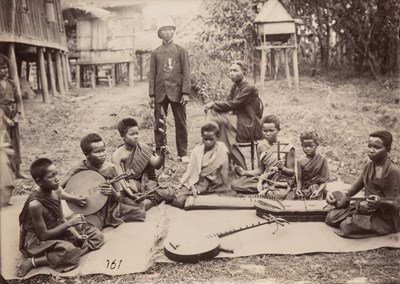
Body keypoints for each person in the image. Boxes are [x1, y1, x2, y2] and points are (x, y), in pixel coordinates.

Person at [16, 158, 104, 277]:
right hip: (39, 239)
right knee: (69, 250)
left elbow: (61, 219)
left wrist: (78, 237)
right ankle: (33, 262)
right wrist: (69, 224)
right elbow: (44, 235)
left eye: (57, 174)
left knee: (97, 235)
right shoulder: (35, 204)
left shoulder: (57, 190)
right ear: (39, 181)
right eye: (51, 176)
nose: (57, 178)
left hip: (57, 228)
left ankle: (71, 253)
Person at [61, 133, 146, 231]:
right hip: (91, 211)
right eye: (97, 152)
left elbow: (118, 196)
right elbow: (55, 190)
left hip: (110, 208)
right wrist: (73, 198)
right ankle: (99, 223)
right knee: (91, 229)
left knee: (140, 213)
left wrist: (113, 193)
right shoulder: (78, 169)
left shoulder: (110, 168)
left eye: (103, 150)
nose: (102, 154)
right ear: (86, 154)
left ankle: (109, 219)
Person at [325, 130, 400, 238]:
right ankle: (356, 219)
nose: (371, 150)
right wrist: (334, 195)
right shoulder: (368, 167)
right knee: (331, 217)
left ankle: (358, 221)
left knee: (346, 226)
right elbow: (351, 190)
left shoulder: (392, 171)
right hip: (364, 209)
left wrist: (379, 202)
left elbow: (397, 204)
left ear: (388, 150)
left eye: (377, 147)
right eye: (369, 146)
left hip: (383, 217)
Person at [204, 60, 263, 169]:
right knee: (216, 122)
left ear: (244, 73)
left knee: (220, 125)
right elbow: (228, 103)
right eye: (230, 70)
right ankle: (222, 161)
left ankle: (234, 164)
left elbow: (234, 104)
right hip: (239, 118)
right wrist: (215, 111)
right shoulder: (235, 86)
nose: (231, 73)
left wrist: (214, 104)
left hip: (249, 123)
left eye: (235, 71)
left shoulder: (248, 87)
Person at [161, 121, 235, 208]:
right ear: (202, 137)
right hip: (201, 181)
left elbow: (226, 169)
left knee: (242, 185)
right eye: (205, 139)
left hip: (217, 181)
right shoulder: (197, 151)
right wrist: (192, 187)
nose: (208, 142)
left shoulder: (221, 148)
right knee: (178, 201)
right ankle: (182, 195)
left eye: (211, 139)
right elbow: (191, 171)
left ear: (217, 137)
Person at [149, 17, 190, 163]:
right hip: (160, 92)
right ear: (160, 33)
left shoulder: (181, 51)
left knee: (181, 122)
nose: (167, 32)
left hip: (177, 93)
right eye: (164, 30)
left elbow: (186, 73)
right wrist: (152, 94)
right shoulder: (155, 53)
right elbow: (152, 74)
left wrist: (185, 92)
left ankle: (183, 152)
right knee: (159, 122)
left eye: (170, 29)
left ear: (173, 31)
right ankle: (161, 151)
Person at [231, 115, 296, 199]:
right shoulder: (260, 146)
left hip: (281, 180)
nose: (268, 134)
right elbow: (261, 170)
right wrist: (245, 172)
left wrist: (283, 168)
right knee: (234, 185)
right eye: (265, 131)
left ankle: (268, 190)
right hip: (266, 178)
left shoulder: (287, 146)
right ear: (261, 130)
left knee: (275, 194)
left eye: (271, 131)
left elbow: (292, 172)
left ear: (278, 130)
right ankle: (266, 189)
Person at [112, 117, 169, 209]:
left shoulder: (143, 147)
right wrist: (131, 194)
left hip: (144, 183)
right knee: (127, 200)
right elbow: (120, 179)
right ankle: (151, 200)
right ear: (122, 136)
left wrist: (161, 155)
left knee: (169, 193)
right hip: (129, 186)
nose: (136, 136)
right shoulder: (117, 155)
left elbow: (156, 165)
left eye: (137, 133)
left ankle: (148, 201)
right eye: (132, 134)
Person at [0, 54, 27, 178]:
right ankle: (7, 172)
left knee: (16, 142)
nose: (3, 71)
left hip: (13, 114)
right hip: (2, 116)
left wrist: (18, 115)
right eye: (0, 68)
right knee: (4, 143)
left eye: (5, 68)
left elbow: (18, 100)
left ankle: (18, 170)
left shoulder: (11, 83)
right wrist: (4, 118)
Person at [296, 131, 329, 200]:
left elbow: (324, 181)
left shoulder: (322, 159)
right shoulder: (300, 161)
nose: (308, 149)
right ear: (302, 145)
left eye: (311, 146)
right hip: (304, 190)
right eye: (305, 146)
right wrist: (298, 189)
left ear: (317, 145)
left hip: (318, 189)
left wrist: (318, 191)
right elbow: (300, 179)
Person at [0, 108, 15, 206]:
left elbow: (9, 143)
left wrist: (2, 146)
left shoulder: (3, 132)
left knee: (7, 176)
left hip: (3, 155)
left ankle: (5, 199)